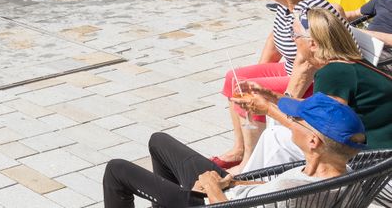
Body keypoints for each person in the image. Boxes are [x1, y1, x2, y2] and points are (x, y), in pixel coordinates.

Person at [100, 93, 365, 208]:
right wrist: (233, 181)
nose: (290, 122)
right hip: (230, 191)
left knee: (117, 170)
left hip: (216, 203)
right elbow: (278, 189)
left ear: (313, 142)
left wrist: (211, 186)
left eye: (296, 120)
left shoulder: (298, 189)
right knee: (159, 142)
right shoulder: (342, 172)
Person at [213, 0, 350, 167]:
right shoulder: (289, 3)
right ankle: (240, 149)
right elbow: (275, 39)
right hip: (293, 67)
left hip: (315, 80)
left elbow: (308, 65)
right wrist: (259, 71)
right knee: (234, 78)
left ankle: (250, 162)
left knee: (248, 90)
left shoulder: (307, 15)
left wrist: (284, 100)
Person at [239, 7, 392, 171]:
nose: (292, 39)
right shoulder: (352, 63)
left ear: (312, 43)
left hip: (373, 162)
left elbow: (321, 133)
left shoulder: (334, 74)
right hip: (379, 153)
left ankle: (246, 184)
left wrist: (268, 109)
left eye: (294, 34)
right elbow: (317, 109)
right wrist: (270, 95)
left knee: (275, 137)